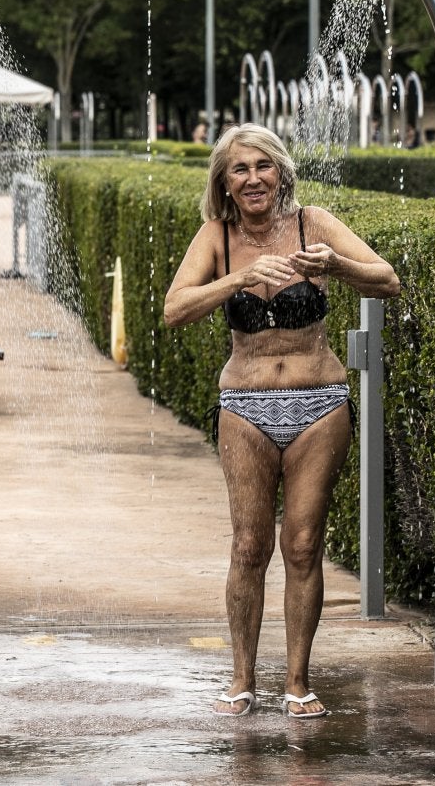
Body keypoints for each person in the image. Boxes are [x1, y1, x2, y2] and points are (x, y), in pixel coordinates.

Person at [162, 123, 400, 719]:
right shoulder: (215, 236)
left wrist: (336, 265)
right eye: (239, 170)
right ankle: (241, 680)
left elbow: (388, 279)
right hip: (245, 407)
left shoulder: (310, 224)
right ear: (224, 181)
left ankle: (297, 681)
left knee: (302, 545)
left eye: (262, 166)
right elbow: (173, 310)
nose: (253, 179)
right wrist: (238, 279)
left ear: (281, 173)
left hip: (320, 401)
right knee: (248, 546)